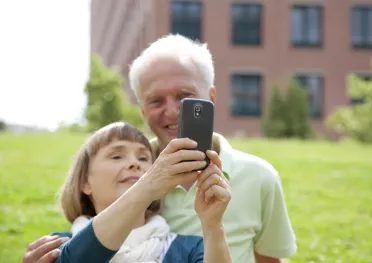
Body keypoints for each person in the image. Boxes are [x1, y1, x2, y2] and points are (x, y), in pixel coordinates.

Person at [21, 34, 296, 263]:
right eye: (156, 101)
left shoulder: (259, 177)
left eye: (186, 97)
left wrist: (213, 226)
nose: (173, 112)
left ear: (211, 97)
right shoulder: (131, 178)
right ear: (142, 110)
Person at [25, 122, 232, 263]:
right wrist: (147, 186)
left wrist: (213, 226)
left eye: (143, 159)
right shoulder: (56, 245)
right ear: (85, 182)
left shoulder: (189, 248)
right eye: (117, 156)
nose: (134, 163)